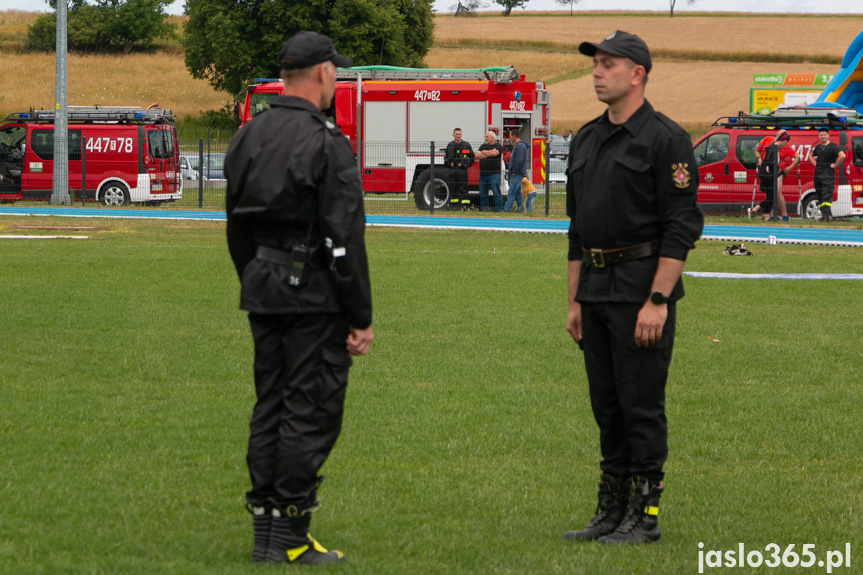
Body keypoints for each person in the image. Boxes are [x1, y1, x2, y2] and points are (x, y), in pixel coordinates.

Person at [224, 30, 374, 565]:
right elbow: (345, 236)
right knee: (309, 409)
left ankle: (266, 530)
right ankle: (291, 533)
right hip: (313, 293)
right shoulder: (326, 141)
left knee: (271, 403)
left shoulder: (248, 134)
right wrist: (360, 316)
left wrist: (258, 273)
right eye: (335, 70)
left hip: (263, 285)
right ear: (323, 73)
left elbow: (235, 227)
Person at [561, 30, 704, 545]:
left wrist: (659, 300)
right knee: (607, 404)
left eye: (607, 65)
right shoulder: (586, 138)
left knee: (640, 403)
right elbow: (578, 230)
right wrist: (575, 300)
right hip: (596, 290)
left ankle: (644, 515)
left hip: (641, 292)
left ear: (637, 73)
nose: (596, 73)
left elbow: (681, 226)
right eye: (595, 65)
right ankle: (610, 509)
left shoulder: (666, 139)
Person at [750, 130, 798, 221]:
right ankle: (769, 215)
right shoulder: (767, 140)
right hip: (767, 171)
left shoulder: (785, 146)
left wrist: (790, 167)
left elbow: (797, 157)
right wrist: (759, 161)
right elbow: (757, 151)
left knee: (776, 192)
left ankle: (784, 215)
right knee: (769, 194)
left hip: (777, 172)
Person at [810, 127, 845, 221]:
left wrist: (836, 164)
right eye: (821, 135)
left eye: (824, 134)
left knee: (826, 195)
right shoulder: (818, 147)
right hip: (818, 172)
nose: (823, 136)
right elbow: (811, 155)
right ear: (818, 136)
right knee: (820, 194)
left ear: (828, 135)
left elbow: (842, 155)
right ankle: (827, 215)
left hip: (828, 173)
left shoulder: (833, 146)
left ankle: (826, 217)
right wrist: (814, 163)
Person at [445, 128, 474, 210]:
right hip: (452, 170)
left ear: (461, 135)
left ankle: (465, 206)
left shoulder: (466, 145)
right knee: (453, 188)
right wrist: (449, 163)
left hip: (462, 170)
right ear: (453, 135)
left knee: (463, 188)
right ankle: (454, 206)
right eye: (456, 134)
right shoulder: (450, 145)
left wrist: (464, 164)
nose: (458, 136)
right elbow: (446, 158)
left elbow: (471, 158)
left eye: (459, 134)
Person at [474, 131, 504, 211]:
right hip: (483, 174)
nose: (486, 138)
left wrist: (483, 152)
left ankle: (499, 209)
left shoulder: (498, 146)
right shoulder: (483, 145)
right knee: (483, 194)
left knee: (496, 193)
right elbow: (477, 154)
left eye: (487, 137)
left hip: (494, 174)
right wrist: (488, 153)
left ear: (492, 138)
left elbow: (494, 153)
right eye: (485, 137)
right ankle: (484, 209)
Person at [502, 129, 528, 212]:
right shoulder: (519, 146)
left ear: (513, 135)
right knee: (517, 193)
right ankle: (521, 209)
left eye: (510, 135)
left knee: (511, 191)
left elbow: (518, 160)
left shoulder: (520, 146)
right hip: (517, 173)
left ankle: (506, 209)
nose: (509, 137)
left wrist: (514, 171)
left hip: (516, 174)